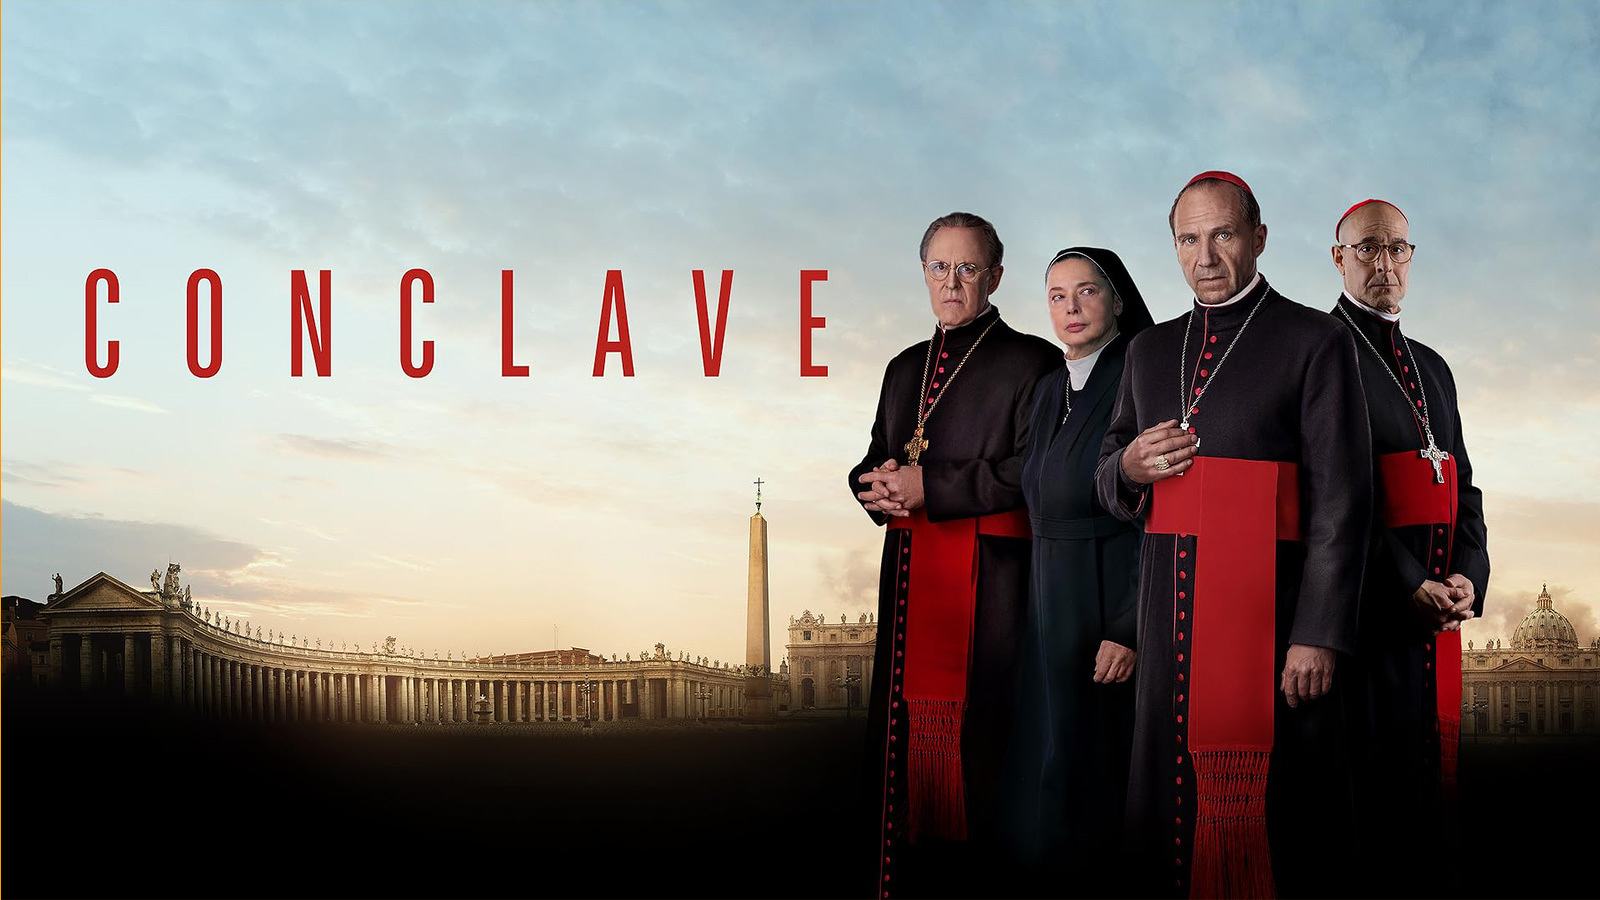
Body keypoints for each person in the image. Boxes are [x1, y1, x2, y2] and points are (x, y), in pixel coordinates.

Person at [1095, 172, 1371, 898]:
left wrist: (1318, 633)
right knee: (1166, 808)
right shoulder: (1149, 351)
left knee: (1282, 822)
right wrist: (1128, 465)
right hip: (1170, 615)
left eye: (1223, 235)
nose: (1206, 257)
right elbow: (1107, 475)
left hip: (1271, 619)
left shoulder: (1316, 340)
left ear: (1259, 239)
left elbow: (1342, 499)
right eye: (1189, 239)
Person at [850, 211, 1060, 898]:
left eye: (968, 268)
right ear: (923, 274)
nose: (952, 281)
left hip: (992, 593)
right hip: (912, 588)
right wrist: (871, 485)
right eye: (939, 267)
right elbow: (878, 453)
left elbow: (1037, 474)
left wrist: (929, 486)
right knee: (902, 766)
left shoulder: (1033, 362)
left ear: (995, 276)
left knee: (984, 760)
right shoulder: (903, 366)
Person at [1328, 198, 1488, 894]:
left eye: (1397, 249)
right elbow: (1330, 493)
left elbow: (1466, 489)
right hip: (1365, 611)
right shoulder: (1319, 351)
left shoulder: (1433, 366)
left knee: (1431, 796)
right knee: (1369, 793)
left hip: (1438, 617)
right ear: (1338, 259)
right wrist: (1408, 581)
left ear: (1412, 260)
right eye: (1367, 248)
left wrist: (1469, 579)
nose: (1383, 263)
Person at [1002, 247, 1153, 895]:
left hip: (1111, 586)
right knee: (1052, 753)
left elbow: (1163, 514)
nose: (1071, 308)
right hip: (1050, 591)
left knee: (1102, 757)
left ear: (1117, 299)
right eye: (1057, 295)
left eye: (1086, 292)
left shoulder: (1144, 375)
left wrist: (1131, 626)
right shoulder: (1045, 390)